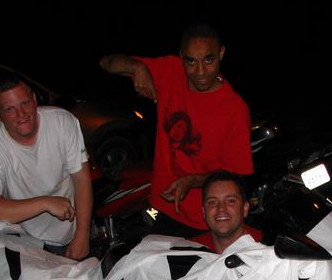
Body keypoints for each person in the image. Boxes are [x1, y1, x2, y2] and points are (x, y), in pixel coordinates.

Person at [99, 22, 253, 238]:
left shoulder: (234, 109)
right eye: (191, 61)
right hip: (164, 206)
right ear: (181, 57)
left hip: (205, 218)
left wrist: (193, 181)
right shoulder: (171, 72)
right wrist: (137, 67)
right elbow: (106, 62)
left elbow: (234, 175)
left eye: (208, 60)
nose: (200, 72)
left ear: (221, 54)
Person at [0, 76, 93, 260]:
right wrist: (45, 203)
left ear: (35, 100)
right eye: (10, 109)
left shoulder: (62, 121)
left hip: (73, 229)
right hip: (28, 242)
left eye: (25, 103)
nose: (21, 114)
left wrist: (82, 234)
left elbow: (81, 179)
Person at [193, 170, 262, 254]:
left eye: (230, 201)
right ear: (204, 211)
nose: (221, 208)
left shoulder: (268, 249)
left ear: (245, 208)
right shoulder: (190, 250)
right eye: (212, 202)